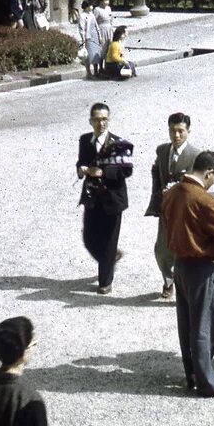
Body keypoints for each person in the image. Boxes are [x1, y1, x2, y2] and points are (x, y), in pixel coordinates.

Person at [162, 150, 214, 399]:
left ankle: (194, 373)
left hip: (182, 265)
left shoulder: (171, 194)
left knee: (187, 324)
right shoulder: (206, 201)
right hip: (205, 268)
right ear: (209, 172)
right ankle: (206, 381)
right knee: (207, 325)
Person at [76, 103, 133, 294]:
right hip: (92, 197)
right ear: (90, 121)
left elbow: (127, 170)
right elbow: (81, 161)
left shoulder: (119, 144)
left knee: (109, 241)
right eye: (97, 119)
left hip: (112, 200)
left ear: (109, 120)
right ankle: (110, 258)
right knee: (89, 238)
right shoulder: (85, 140)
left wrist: (103, 172)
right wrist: (81, 170)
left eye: (104, 119)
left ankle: (105, 281)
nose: (101, 123)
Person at [147, 112, 200, 299]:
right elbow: (156, 170)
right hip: (165, 209)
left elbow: (200, 184)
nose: (176, 135)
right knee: (161, 250)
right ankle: (168, 280)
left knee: (183, 251)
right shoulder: (162, 151)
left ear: (188, 131)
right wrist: (157, 192)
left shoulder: (196, 155)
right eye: (172, 131)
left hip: (185, 213)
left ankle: (181, 285)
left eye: (180, 131)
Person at [78, 0, 102, 79]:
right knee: (88, 55)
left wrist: (99, 35)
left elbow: (96, 25)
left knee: (96, 54)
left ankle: (96, 71)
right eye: (90, 6)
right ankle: (89, 73)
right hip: (88, 36)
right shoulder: (82, 16)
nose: (91, 7)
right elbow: (82, 29)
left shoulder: (92, 14)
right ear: (86, 7)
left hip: (95, 35)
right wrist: (83, 39)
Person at [94, 0, 114, 65]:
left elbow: (111, 19)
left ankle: (107, 67)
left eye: (108, 0)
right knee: (102, 49)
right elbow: (94, 22)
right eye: (105, 0)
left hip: (109, 29)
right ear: (101, 1)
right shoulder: (97, 9)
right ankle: (100, 67)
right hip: (101, 30)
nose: (107, 2)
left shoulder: (109, 8)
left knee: (109, 49)